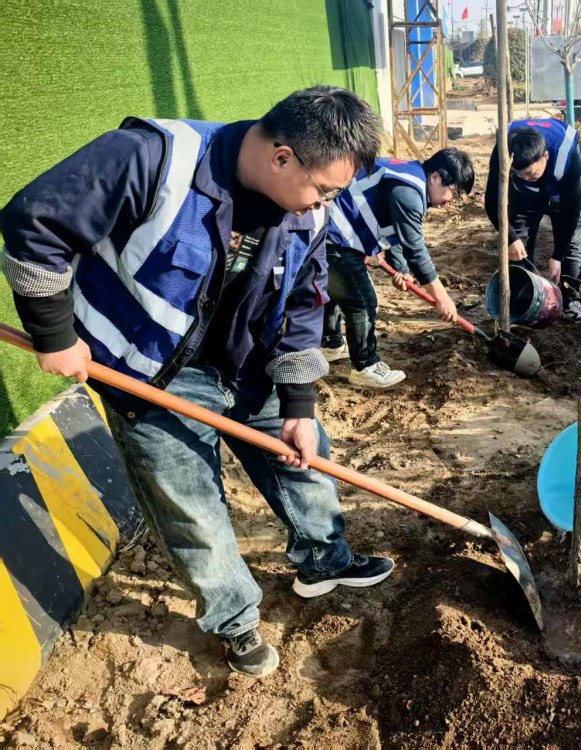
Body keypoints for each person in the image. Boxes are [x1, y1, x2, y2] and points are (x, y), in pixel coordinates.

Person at [0, 86, 396, 678]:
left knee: (305, 457)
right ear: (282, 157)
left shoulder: (307, 213)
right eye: (326, 189)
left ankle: (324, 560)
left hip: (247, 365)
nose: (326, 203)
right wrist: (54, 335)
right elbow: (33, 223)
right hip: (152, 373)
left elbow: (304, 306)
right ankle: (235, 621)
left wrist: (298, 403)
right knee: (192, 506)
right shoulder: (151, 158)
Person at [323, 148, 475, 389]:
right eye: (453, 192)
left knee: (336, 288)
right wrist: (442, 297)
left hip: (333, 230)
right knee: (362, 300)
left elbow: (395, 227)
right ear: (436, 177)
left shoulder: (410, 177)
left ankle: (330, 343)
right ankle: (365, 366)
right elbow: (416, 250)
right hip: (335, 235)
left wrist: (401, 268)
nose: (450, 201)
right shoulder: (409, 192)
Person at [484, 118, 581, 321]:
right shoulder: (503, 150)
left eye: (530, 173)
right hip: (524, 196)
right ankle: (524, 298)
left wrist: (558, 256)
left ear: (545, 156)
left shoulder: (566, 157)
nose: (525, 178)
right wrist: (512, 238)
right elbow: (491, 201)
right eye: (519, 174)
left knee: (572, 244)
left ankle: (571, 299)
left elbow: (572, 211)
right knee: (519, 246)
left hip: (562, 190)